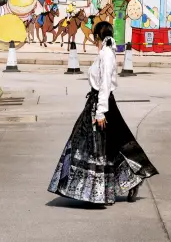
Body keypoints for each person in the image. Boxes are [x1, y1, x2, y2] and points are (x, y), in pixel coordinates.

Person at [48, 21, 158, 205]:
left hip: (102, 103)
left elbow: (105, 84)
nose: (92, 39)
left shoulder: (107, 54)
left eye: (93, 35)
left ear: (98, 36)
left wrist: (100, 112)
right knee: (105, 145)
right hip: (97, 101)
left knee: (101, 146)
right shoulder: (104, 53)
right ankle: (102, 187)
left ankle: (105, 187)